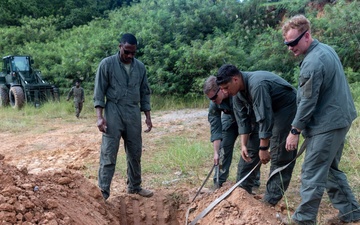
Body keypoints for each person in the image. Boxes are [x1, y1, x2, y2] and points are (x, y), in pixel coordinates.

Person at [281, 14, 360, 224]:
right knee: (330, 170)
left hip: (328, 124)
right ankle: (351, 213)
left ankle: (303, 220)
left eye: (293, 43)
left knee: (311, 173)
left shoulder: (313, 62)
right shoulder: (326, 50)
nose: (290, 47)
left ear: (306, 36)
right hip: (339, 119)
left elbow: (307, 102)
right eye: (287, 43)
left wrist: (295, 131)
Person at [216, 64, 297, 206]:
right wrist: (243, 145)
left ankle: (269, 202)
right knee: (249, 153)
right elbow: (243, 121)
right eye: (221, 89)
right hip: (267, 111)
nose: (224, 92)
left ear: (235, 79)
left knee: (280, 154)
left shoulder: (257, 85)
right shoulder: (237, 92)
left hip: (285, 108)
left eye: (225, 88)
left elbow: (265, 117)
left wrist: (264, 148)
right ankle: (241, 194)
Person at [93, 33, 153, 199]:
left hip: (133, 112)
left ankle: (134, 186)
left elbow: (144, 93)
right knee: (109, 152)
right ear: (120, 46)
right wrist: (99, 117)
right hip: (113, 111)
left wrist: (147, 116)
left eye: (133, 52)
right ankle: (103, 192)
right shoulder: (106, 64)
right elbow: (99, 92)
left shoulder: (140, 67)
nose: (129, 56)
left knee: (135, 152)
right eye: (127, 51)